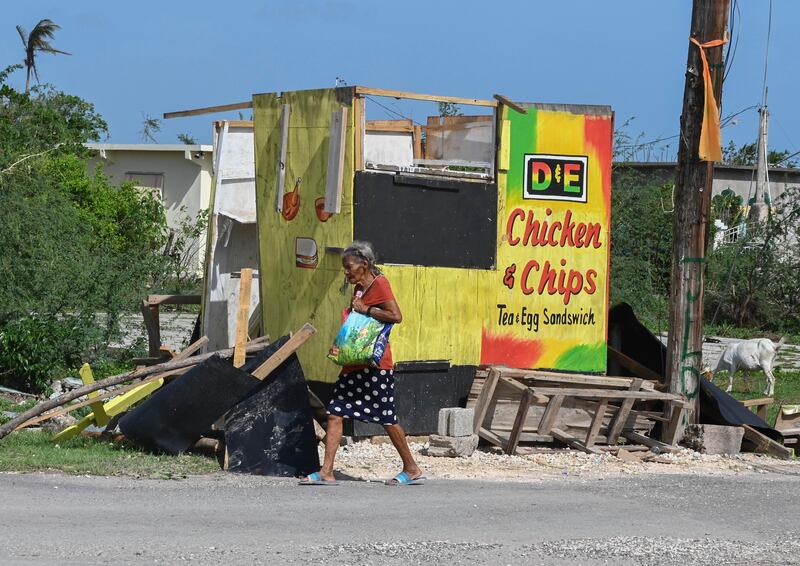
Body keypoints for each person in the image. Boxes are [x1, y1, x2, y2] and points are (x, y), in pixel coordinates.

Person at [301, 241, 425, 486]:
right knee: (335, 412)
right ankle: (327, 471)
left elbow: (396, 316)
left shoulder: (380, 284)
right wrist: (341, 345)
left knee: (387, 417)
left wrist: (367, 309)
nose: (346, 272)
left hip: (376, 366)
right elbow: (354, 325)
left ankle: (411, 468)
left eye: (349, 267)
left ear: (364, 264)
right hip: (354, 363)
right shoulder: (358, 288)